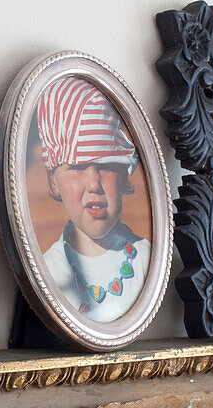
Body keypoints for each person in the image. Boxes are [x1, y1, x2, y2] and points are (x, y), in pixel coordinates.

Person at [35, 76, 151, 322]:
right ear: (53, 181)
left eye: (107, 165)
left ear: (123, 177)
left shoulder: (147, 261)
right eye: (77, 167)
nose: (94, 184)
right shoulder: (47, 271)